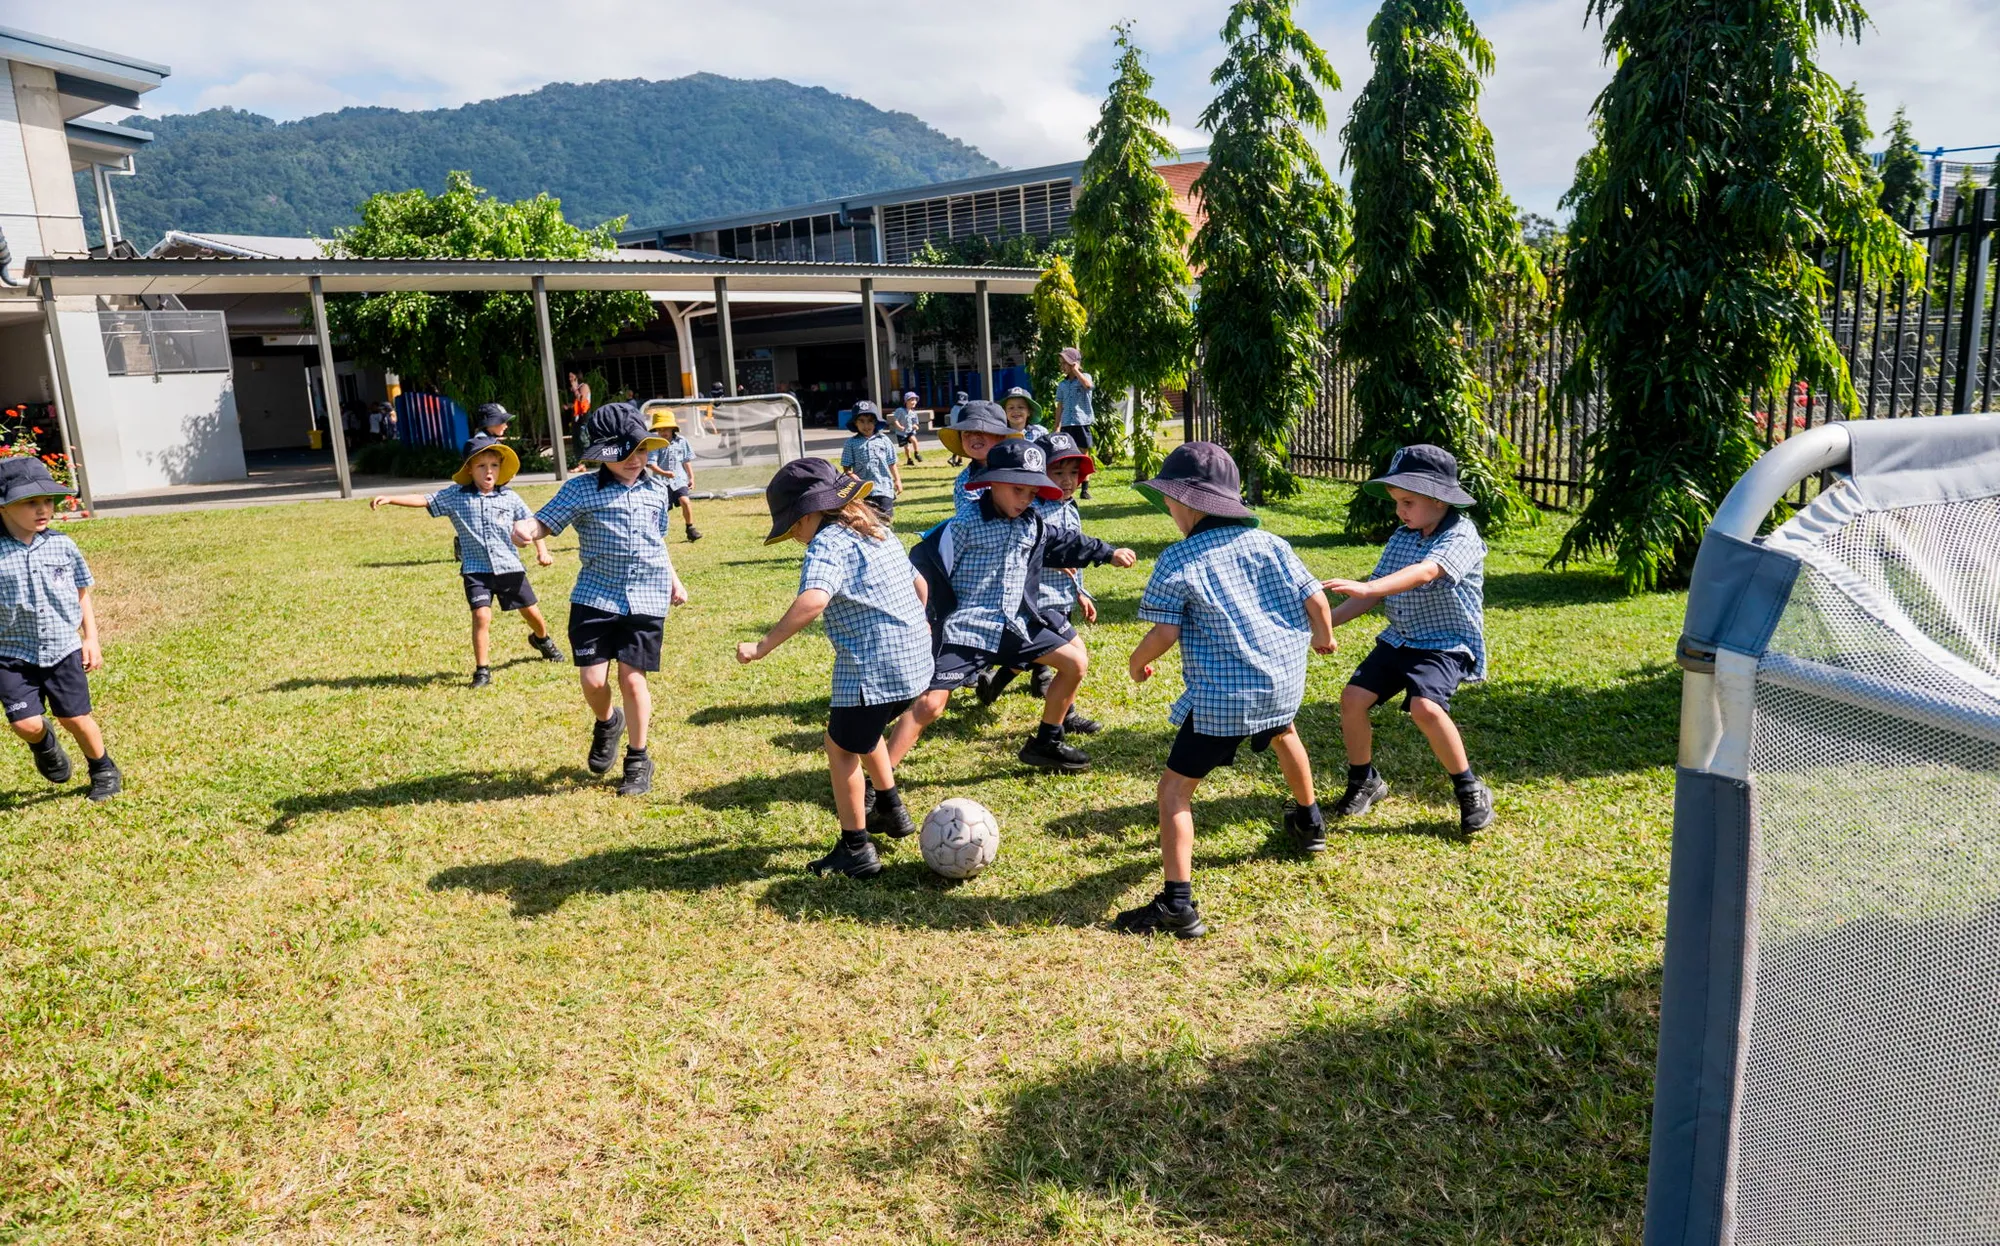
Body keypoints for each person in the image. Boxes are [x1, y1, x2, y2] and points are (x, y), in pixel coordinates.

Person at [1119, 442, 1336, 937]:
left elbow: (1163, 634)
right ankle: (1310, 821)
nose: (1169, 511)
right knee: (1285, 734)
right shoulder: (1272, 544)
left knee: (1174, 791)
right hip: (1279, 685)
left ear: (1187, 504)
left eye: (1169, 502)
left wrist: (1137, 664)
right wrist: (1323, 638)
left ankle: (1178, 905)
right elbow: (1316, 599)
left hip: (1222, 699)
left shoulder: (1177, 561)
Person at [738, 458, 934, 879]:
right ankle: (891, 809)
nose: (795, 538)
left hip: (873, 668)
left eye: (793, 527)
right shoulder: (878, 529)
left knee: (839, 747)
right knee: (866, 731)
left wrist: (762, 645)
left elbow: (814, 601)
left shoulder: (828, 543)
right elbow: (921, 586)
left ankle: (856, 849)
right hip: (915, 663)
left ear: (809, 514)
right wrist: (910, 628)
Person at [896, 440, 1137, 774]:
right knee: (931, 705)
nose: (1025, 499)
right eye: (1017, 490)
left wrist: (1107, 553)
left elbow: (1065, 541)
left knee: (1074, 662)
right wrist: (924, 616)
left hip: (1014, 626)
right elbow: (923, 566)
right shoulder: (963, 526)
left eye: (1032, 491)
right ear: (992, 482)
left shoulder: (1031, 524)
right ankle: (877, 782)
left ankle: (1046, 743)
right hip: (966, 630)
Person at [512, 403, 688, 798]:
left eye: (642, 451)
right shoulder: (580, 489)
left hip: (647, 596)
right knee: (593, 680)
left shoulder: (657, 489)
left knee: (632, 678)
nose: (635, 460)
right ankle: (609, 721)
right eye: (625, 454)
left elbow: (656, 542)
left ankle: (639, 759)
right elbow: (544, 521)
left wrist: (674, 579)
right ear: (604, 456)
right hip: (596, 596)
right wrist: (527, 528)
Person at [1322, 444, 1494, 834]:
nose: (1400, 510)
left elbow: (1427, 572)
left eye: (1408, 502)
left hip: (1444, 643)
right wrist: (1325, 625)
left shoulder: (1462, 534)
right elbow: (1376, 595)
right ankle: (1364, 779)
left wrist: (1366, 588)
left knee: (1426, 710)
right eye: (1398, 502)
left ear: (1438, 500)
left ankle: (1469, 787)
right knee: (1352, 699)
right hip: (1399, 639)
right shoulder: (1403, 535)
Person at [370, 434, 563, 687]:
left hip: (509, 568)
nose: (489, 472)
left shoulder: (510, 498)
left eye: (494, 466)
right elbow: (425, 499)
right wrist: (391, 498)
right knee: (481, 616)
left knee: (531, 612)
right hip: (476, 571)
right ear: (469, 470)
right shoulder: (457, 496)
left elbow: (532, 524)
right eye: (481, 466)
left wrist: (542, 551)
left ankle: (542, 639)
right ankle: (482, 670)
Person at [0, 457, 120, 801]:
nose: (43, 509)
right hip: (11, 653)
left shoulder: (62, 545)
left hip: (62, 648)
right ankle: (44, 745)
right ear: (4, 506)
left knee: (76, 717)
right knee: (26, 724)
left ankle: (103, 768)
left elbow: (81, 593)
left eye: (48, 501)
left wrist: (91, 638)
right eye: (30, 502)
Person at [975, 431, 1095, 723]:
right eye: (1058, 472)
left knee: (1032, 653)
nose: (1067, 481)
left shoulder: (1070, 508)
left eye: (1073, 473)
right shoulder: (1032, 511)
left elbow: (1075, 555)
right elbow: (1023, 553)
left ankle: (994, 683)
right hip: (1037, 598)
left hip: (1062, 595)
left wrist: (1081, 592)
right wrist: (1053, 562)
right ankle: (1066, 715)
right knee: (1068, 655)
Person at [934, 400, 1022, 521]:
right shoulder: (964, 481)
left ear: (1001, 436)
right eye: (967, 433)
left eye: (981, 431)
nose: (974, 436)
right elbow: (968, 520)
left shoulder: (1020, 470)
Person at [644, 407, 702, 543]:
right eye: (659, 429)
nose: (662, 432)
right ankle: (654, 532)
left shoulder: (682, 441)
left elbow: (686, 460)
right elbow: (651, 464)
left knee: (685, 501)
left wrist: (691, 477)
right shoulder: (654, 444)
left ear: (672, 428)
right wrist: (664, 473)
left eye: (665, 429)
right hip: (661, 482)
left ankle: (690, 528)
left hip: (679, 480)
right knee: (661, 509)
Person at [839, 401, 900, 521]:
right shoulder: (851, 443)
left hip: (884, 488)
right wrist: (851, 474)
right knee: (867, 521)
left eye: (870, 421)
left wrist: (897, 480)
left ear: (876, 422)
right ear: (855, 423)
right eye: (861, 421)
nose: (866, 425)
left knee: (886, 519)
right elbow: (846, 467)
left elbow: (892, 462)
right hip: (863, 490)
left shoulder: (884, 440)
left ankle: (887, 538)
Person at [1055, 347, 1097, 499]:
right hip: (1067, 424)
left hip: (1081, 423)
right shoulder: (1062, 385)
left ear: (1074, 363)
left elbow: (1087, 385)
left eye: (1065, 363)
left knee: (1083, 455)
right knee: (1067, 457)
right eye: (1061, 364)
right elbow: (1059, 406)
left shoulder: (1085, 377)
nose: (1062, 367)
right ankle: (1068, 487)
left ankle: (1085, 489)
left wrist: (1076, 371)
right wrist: (1057, 426)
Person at [890, 391, 925, 465]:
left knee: (914, 440)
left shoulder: (913, 413)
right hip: (901, 433)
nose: (914, 402)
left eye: (915, 400)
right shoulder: (900, 410)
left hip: (910, 431)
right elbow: (895, 420)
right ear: (906, 401)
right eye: (912, 400)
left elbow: (916, 423)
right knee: (906, 447)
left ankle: (916, 453)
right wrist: (899, 426)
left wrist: (916, 426)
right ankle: (909, 459)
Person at [945, 390, 970, 466]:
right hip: (961, 428)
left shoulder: (953, 408)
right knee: (960, 445)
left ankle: (959, 460)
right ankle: (953, 458)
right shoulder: (964, 408)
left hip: (954, 428)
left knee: (960, 444)